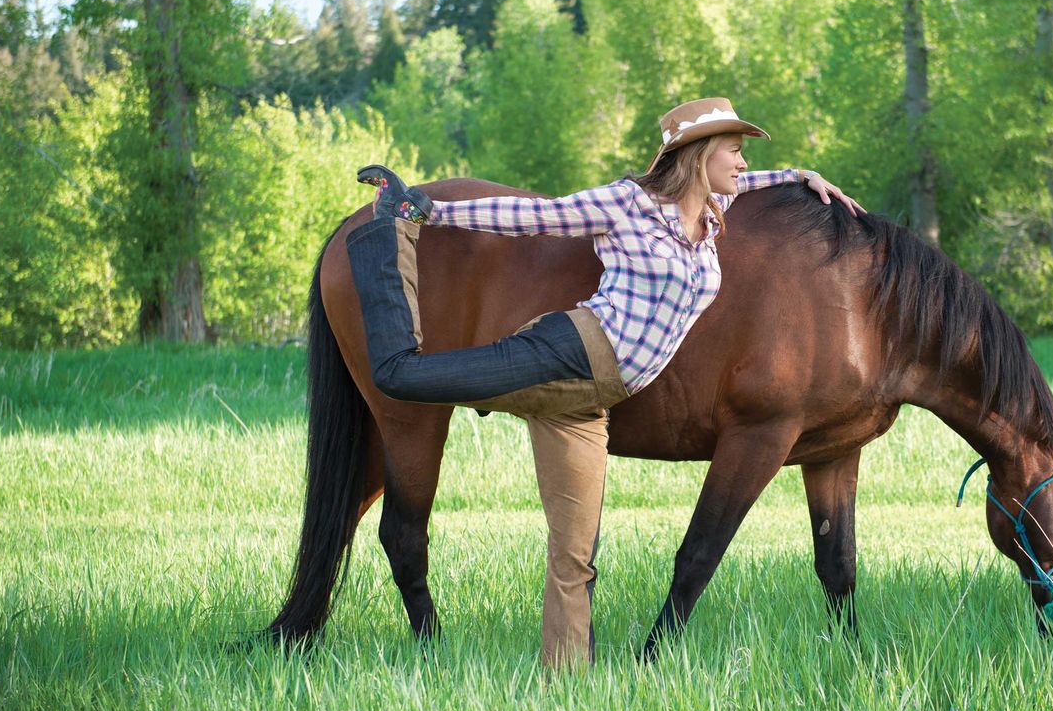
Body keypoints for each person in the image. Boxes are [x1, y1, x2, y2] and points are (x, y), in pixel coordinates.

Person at [347, 96, 862, 668]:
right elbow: (533, 219)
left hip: (593, 405)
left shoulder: (713, 208)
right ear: (697, 157)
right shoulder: (627, 203)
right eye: (734, 151)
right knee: (402, 375)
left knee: (576, 553)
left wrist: (803, 177)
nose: (743, 164)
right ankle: (387, 227)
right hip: (567, 354)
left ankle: (566, 686)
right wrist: (428, 210)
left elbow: (756, 182)